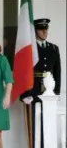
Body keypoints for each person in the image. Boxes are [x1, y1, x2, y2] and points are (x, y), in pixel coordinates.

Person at [20, 18, 61, 148]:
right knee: (33, 125)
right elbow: (22, 72)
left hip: (48, 92)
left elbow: (57, 72)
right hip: (33, 90)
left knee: (47, 124)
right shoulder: (29, 49)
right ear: (35, 31)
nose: (44, 32)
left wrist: (56, 93)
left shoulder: (54, 48)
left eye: (46, 29)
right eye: (41, 29)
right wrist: (24, 94)